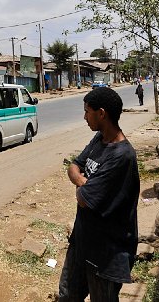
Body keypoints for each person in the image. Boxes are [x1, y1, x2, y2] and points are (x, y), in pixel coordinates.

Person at [58, 87, 139, 302]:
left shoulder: (122, 157)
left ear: (101, 113)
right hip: (82, 243)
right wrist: (83, 182)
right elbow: (74, 166)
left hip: (107, 253)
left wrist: (82, 189)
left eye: (87, 111)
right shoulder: (99, 140)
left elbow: (84, 199)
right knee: (67, 295)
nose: (84, 117)